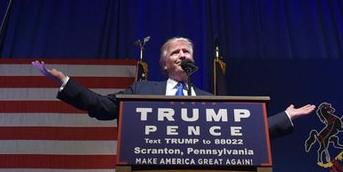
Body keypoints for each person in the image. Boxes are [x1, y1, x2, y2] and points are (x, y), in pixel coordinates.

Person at [32, 36, 315, 138]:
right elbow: (103, 108)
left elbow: (243, 131)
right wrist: (66, 83)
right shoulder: (142, 91)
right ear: (164, 64)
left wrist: (285, 118)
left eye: (187, 52)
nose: (182, 55)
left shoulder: (208, 99)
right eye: (175, 52)